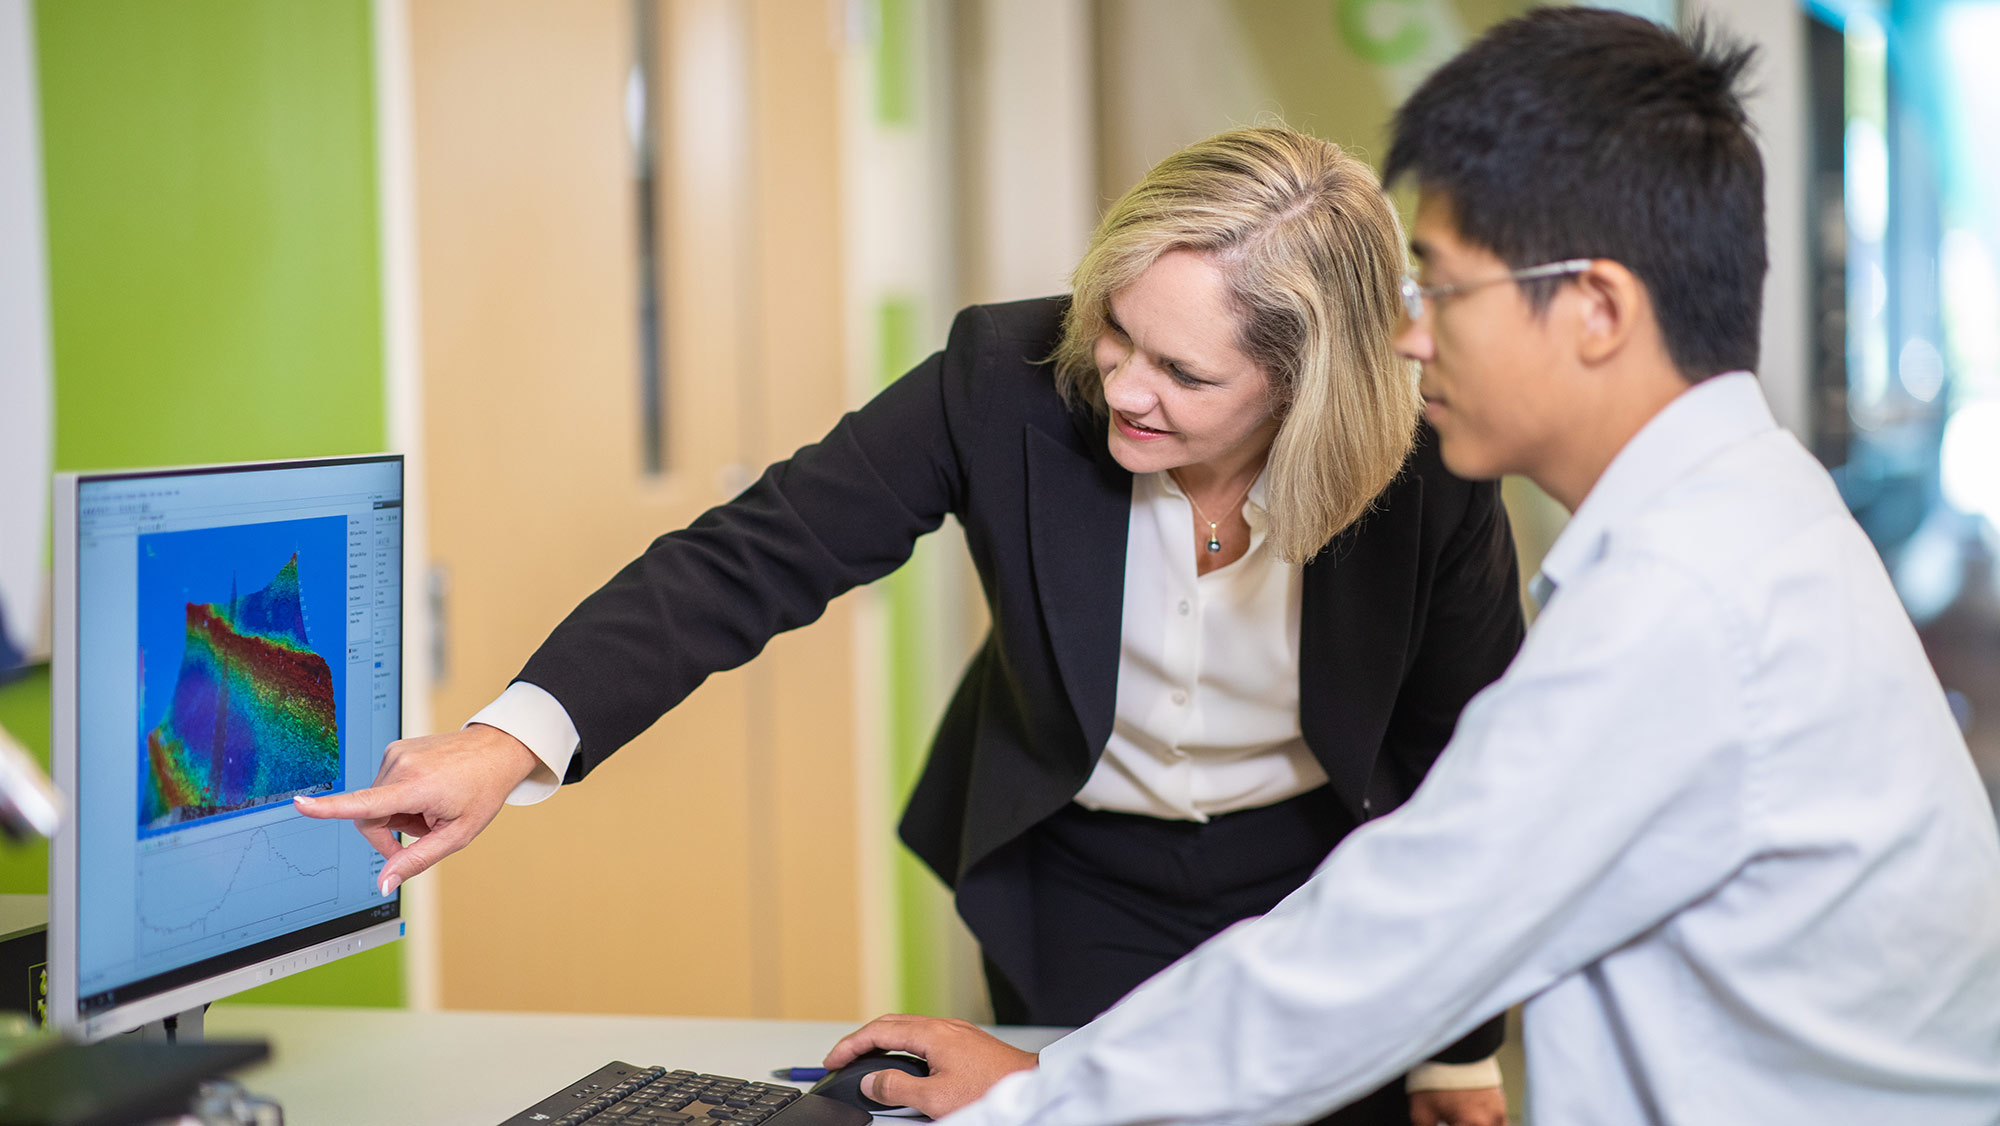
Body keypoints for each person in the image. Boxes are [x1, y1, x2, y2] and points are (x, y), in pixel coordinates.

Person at [820, 10, 2000, 1126]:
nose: (1407, 332)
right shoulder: (1753, 518)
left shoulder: (1679, 607)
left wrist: (1032, 1090)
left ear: (1592, 306)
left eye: (1438, 284)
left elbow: (1379, 947)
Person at [297, 127, 1524, 1123]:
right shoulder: (1004, 376)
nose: (1118, 384)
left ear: (1306, 388)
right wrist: (510, 737)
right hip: (1080, 876)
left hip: (1330, 877)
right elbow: (757, 552)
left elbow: (1470, 770)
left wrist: (1455, 1049)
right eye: (1115, 329)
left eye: (1184, 375)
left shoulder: (1425, 472)